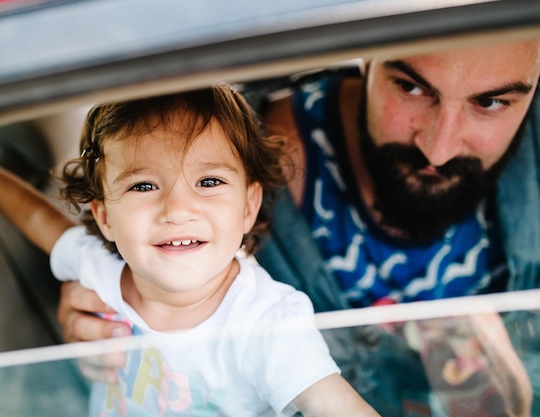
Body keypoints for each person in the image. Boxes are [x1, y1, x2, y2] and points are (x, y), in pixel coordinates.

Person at [59, 40, 540, 416]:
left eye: (492, 102)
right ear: (365, 57)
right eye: (410, 87)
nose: (439, 147)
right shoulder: (230, 157)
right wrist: (110, 295)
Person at [0, 83, 380, 417]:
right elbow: (37, 217)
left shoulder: (266, 323)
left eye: (209, 182)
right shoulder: (99, 266)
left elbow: (336, 405)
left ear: (248, 207)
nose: (178, 209)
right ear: (105, 216)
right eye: (144, 185)